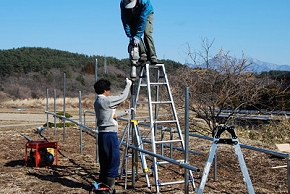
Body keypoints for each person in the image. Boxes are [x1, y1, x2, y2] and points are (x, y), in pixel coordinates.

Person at [93, 78, 132, 193]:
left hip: (102, 134)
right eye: (108, 90)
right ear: (105, 90)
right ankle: (110, 188)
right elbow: (122, 97)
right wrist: (128, 85)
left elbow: (111, 115)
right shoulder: (107, 100)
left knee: (105, 159)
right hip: (110, 134)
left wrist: (125, 112)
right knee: (113, 160)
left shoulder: (97, 102)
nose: (109, 92)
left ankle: (103, 184)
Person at [120, 0, 158, 64]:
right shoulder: (122, 3)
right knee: (134, 34)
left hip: (147, 14)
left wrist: (138, 36)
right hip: (134, 16)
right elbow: (125, 20)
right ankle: (143, 55)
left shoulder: (144, 2)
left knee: (147, 33)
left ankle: (152, 56)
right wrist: (130, 36)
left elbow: (143, 20)